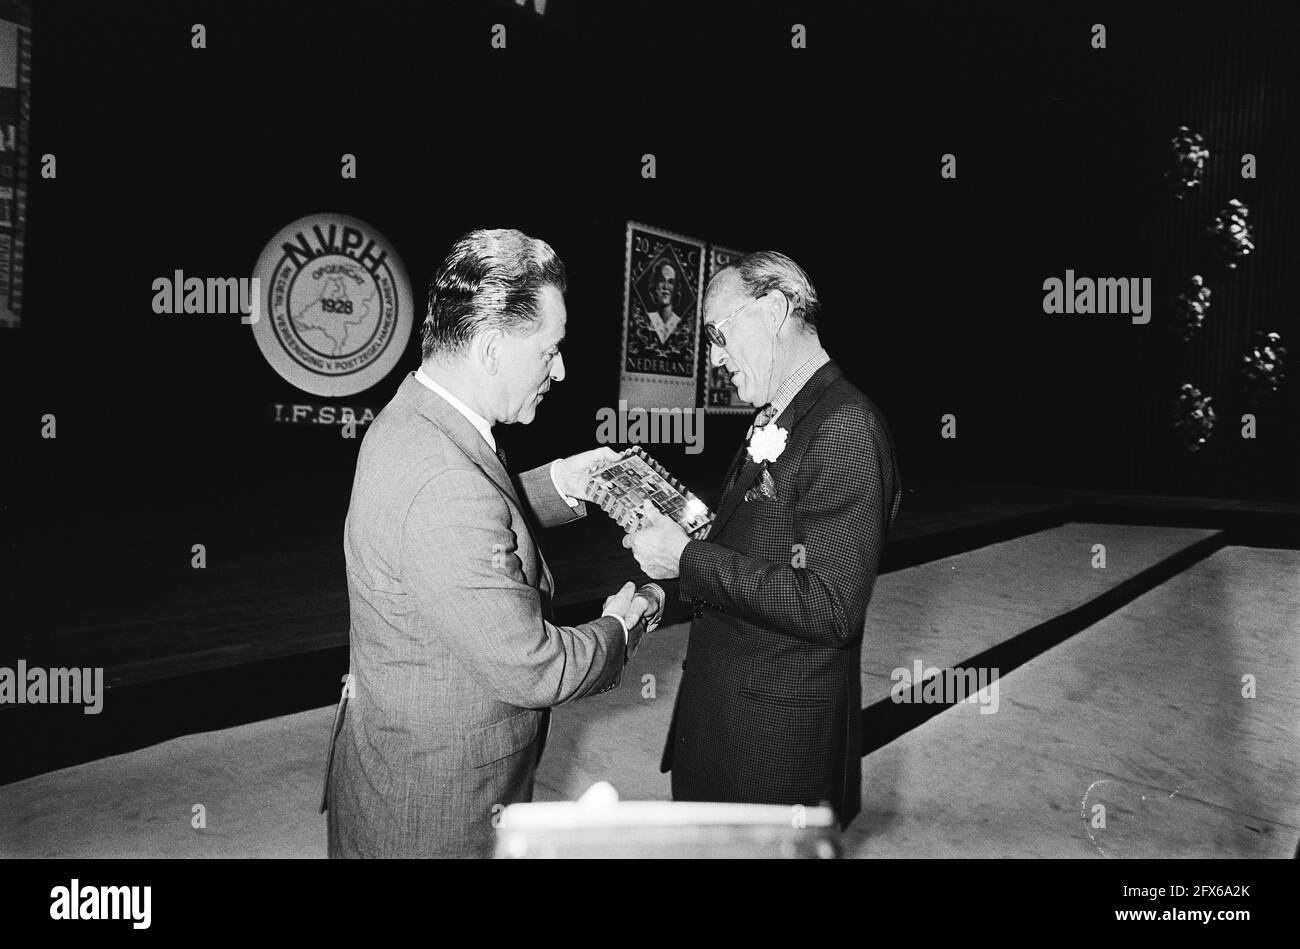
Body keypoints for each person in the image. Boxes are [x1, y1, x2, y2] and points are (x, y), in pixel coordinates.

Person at [324, 228, 662, 858]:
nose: (560, 371)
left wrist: (565, 481)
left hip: (402, 766)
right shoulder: (442, 480)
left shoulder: (421, 417)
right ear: (488, 348)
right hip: (437, 808)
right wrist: (621, 626)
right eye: (549, 352)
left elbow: (472, 523)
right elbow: (534, 666)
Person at [627, 251, 900, 828]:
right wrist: (687, 541)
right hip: (728, 728)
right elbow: (759, 548)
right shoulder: (783, 415)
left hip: (772, 756)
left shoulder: (844, 424)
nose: (713, 358)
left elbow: (830, 609)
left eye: (719, 336)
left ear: (775, 309)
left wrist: (686, 558)